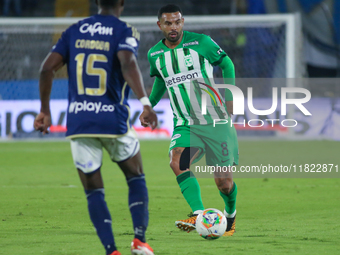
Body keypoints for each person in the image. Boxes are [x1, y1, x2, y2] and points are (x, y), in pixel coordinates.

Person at [33, 0, 157, 254]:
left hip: (80, 121)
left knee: (93, 190)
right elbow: (128, 63)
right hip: (113, 119)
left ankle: (111, 250)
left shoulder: (74, 30)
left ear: (97, 2)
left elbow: (46, 69)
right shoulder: (125, 30)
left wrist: (44, 110)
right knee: (135, 176)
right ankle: (139, 241)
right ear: (122, 3)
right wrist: (145, 102)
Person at [140, 4, 239, 236]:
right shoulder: (155, 54)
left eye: (177, 22)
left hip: (215, 122)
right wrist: (148, 105)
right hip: (186, 123)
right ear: (160, 25)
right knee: (177, 160)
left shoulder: (202, 42)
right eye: (168, 23)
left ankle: (230, 216)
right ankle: (198, 214)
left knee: (223, 183)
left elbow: (227, 64)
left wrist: (231, 98)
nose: (173, 27)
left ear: (182, 22)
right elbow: (162, 80)